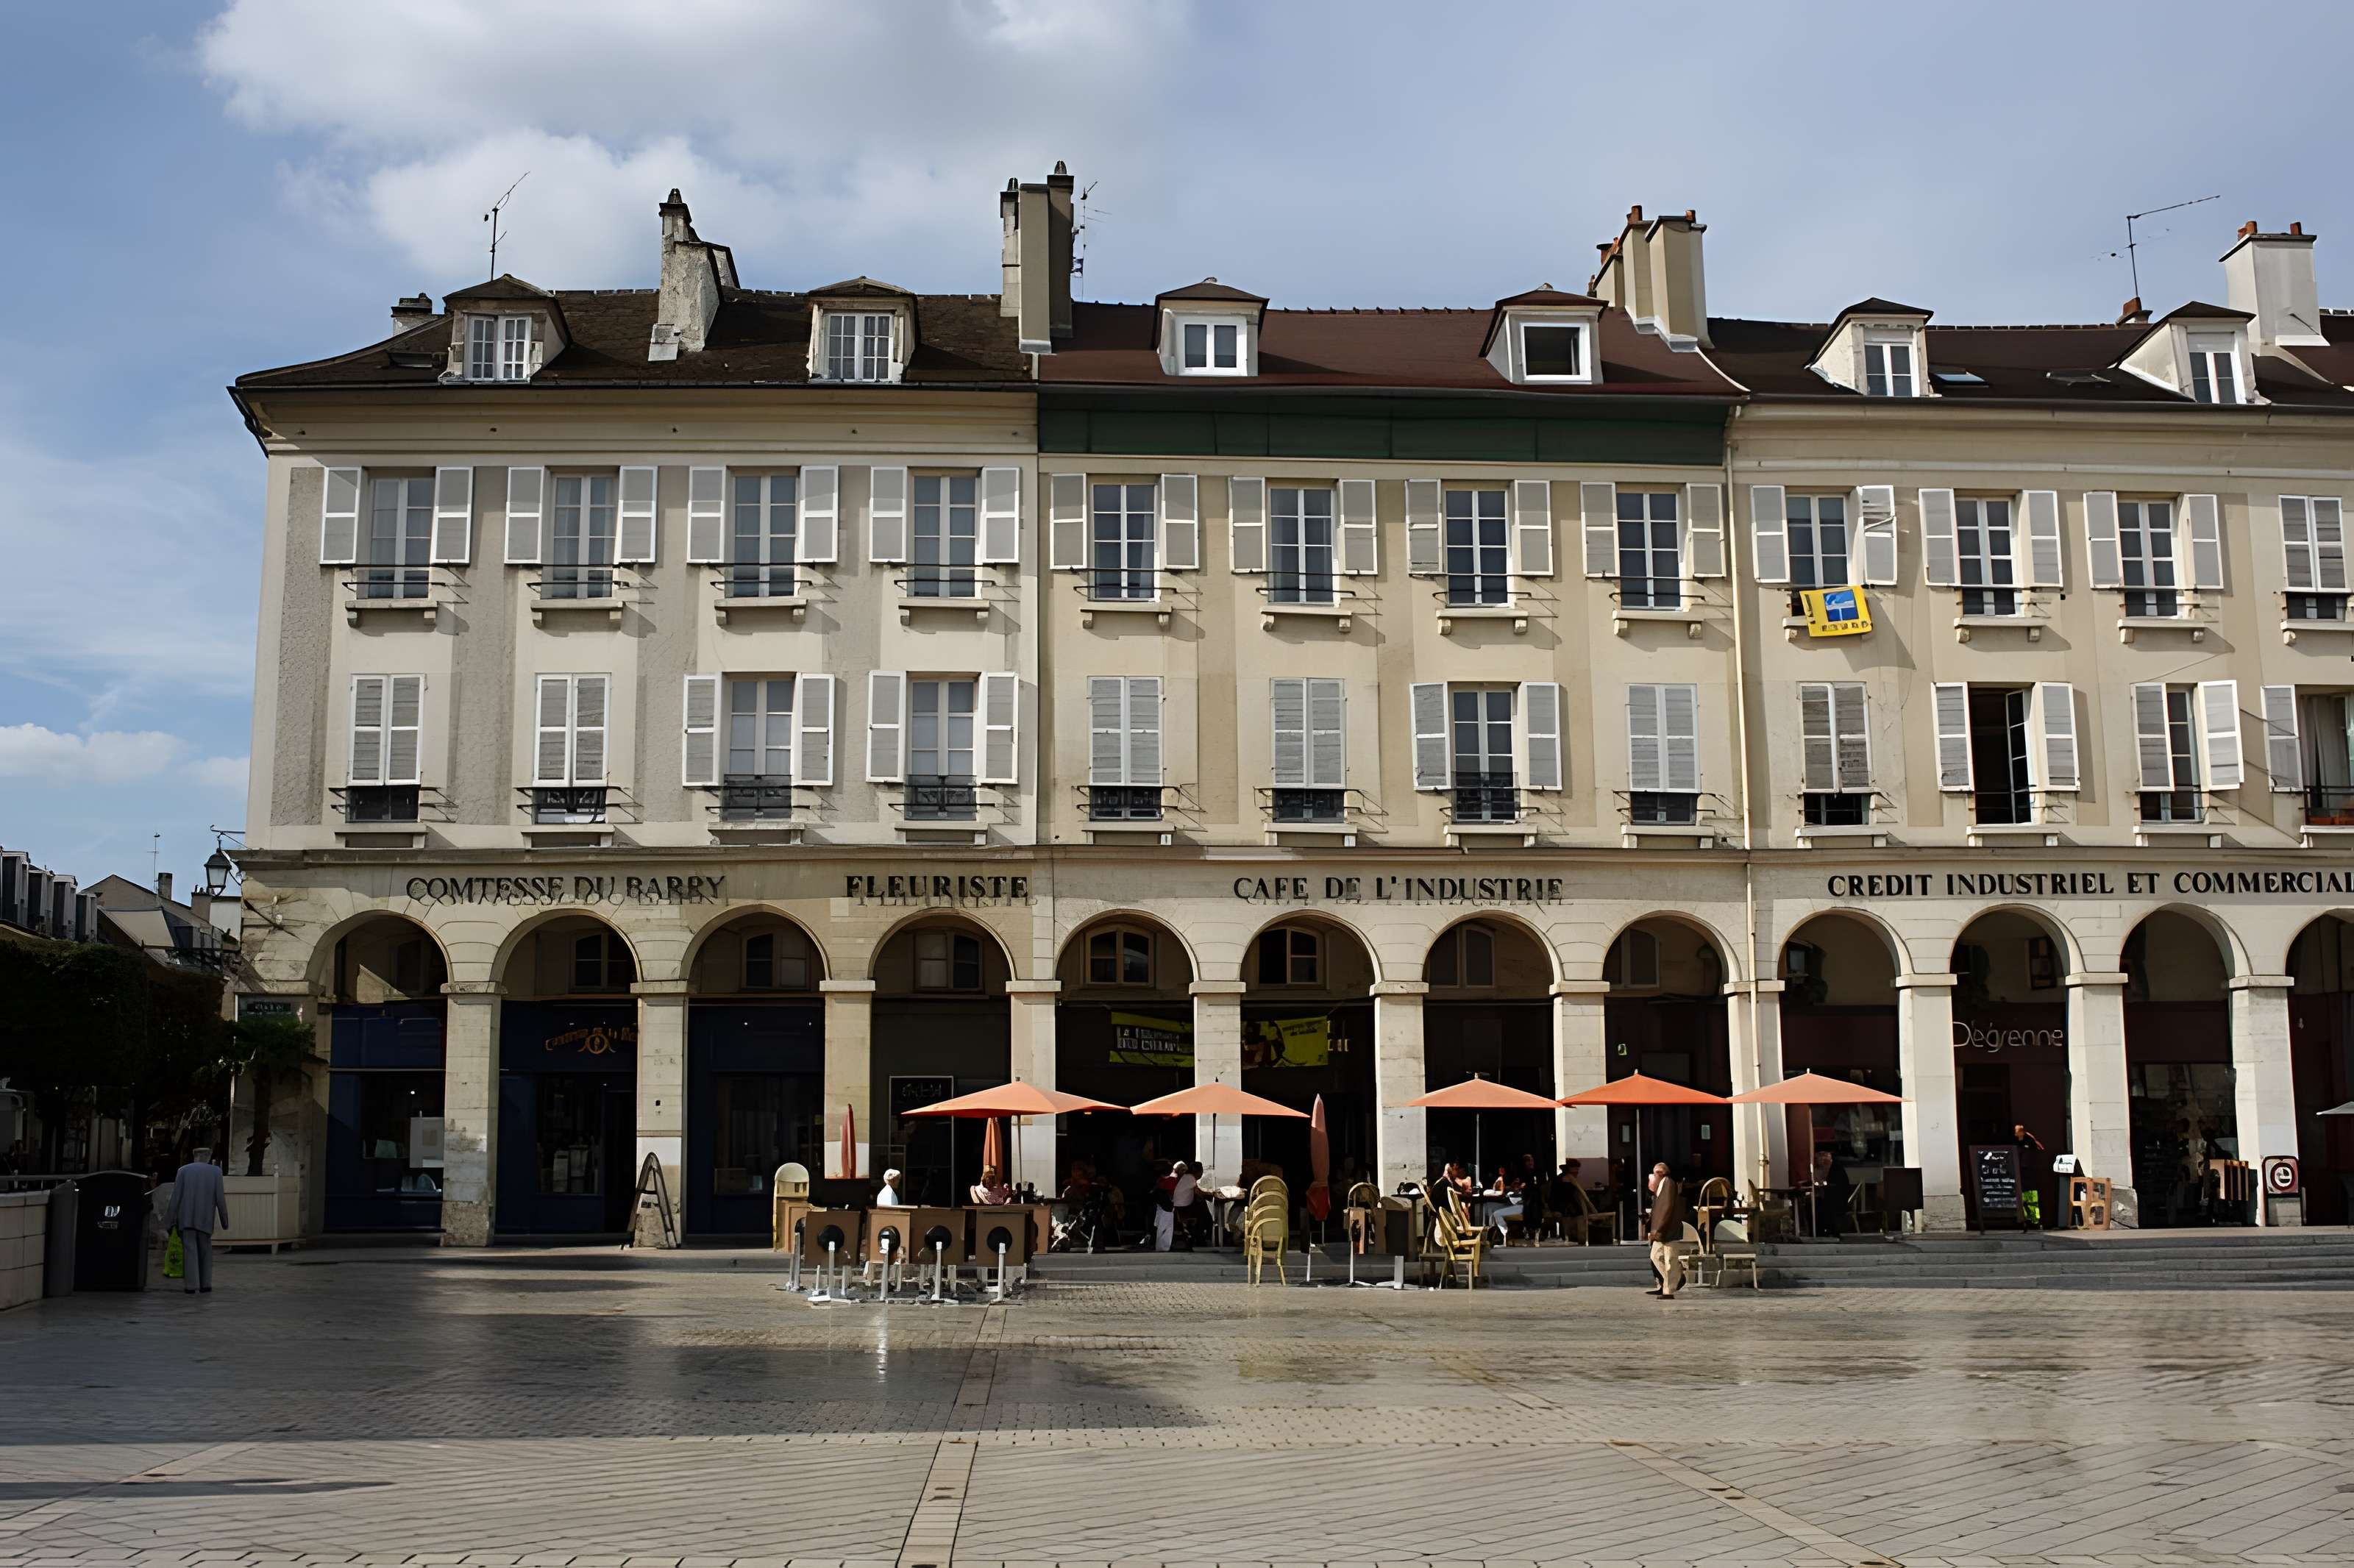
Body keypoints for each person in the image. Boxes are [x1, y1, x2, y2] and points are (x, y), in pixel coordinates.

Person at [170, 1147, 230, 1295]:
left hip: (186, 1218)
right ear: (209, 1156)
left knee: (189, 1251)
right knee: (205, 1251)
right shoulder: (216, 1172)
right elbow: (220, 1199)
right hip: (205, 1218)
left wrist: (168, 1221)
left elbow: (175, 1198)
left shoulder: (182, 1171)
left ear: (194, 1155)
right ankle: (206, 1284)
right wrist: (225, 1220)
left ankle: (191, 1286)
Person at [1645, 1161, 1686, 1300]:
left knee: (1670, 1261)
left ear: (1660, 1173)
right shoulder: (1661, 1186)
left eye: (1654, 1173)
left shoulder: (1668, 1184)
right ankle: (1676, 1279)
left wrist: (1659, 1228)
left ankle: (1669, 1290)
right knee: (1656, 1256)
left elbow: (1667, 1208)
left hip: (1669, 1230)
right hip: (1662, 1231)